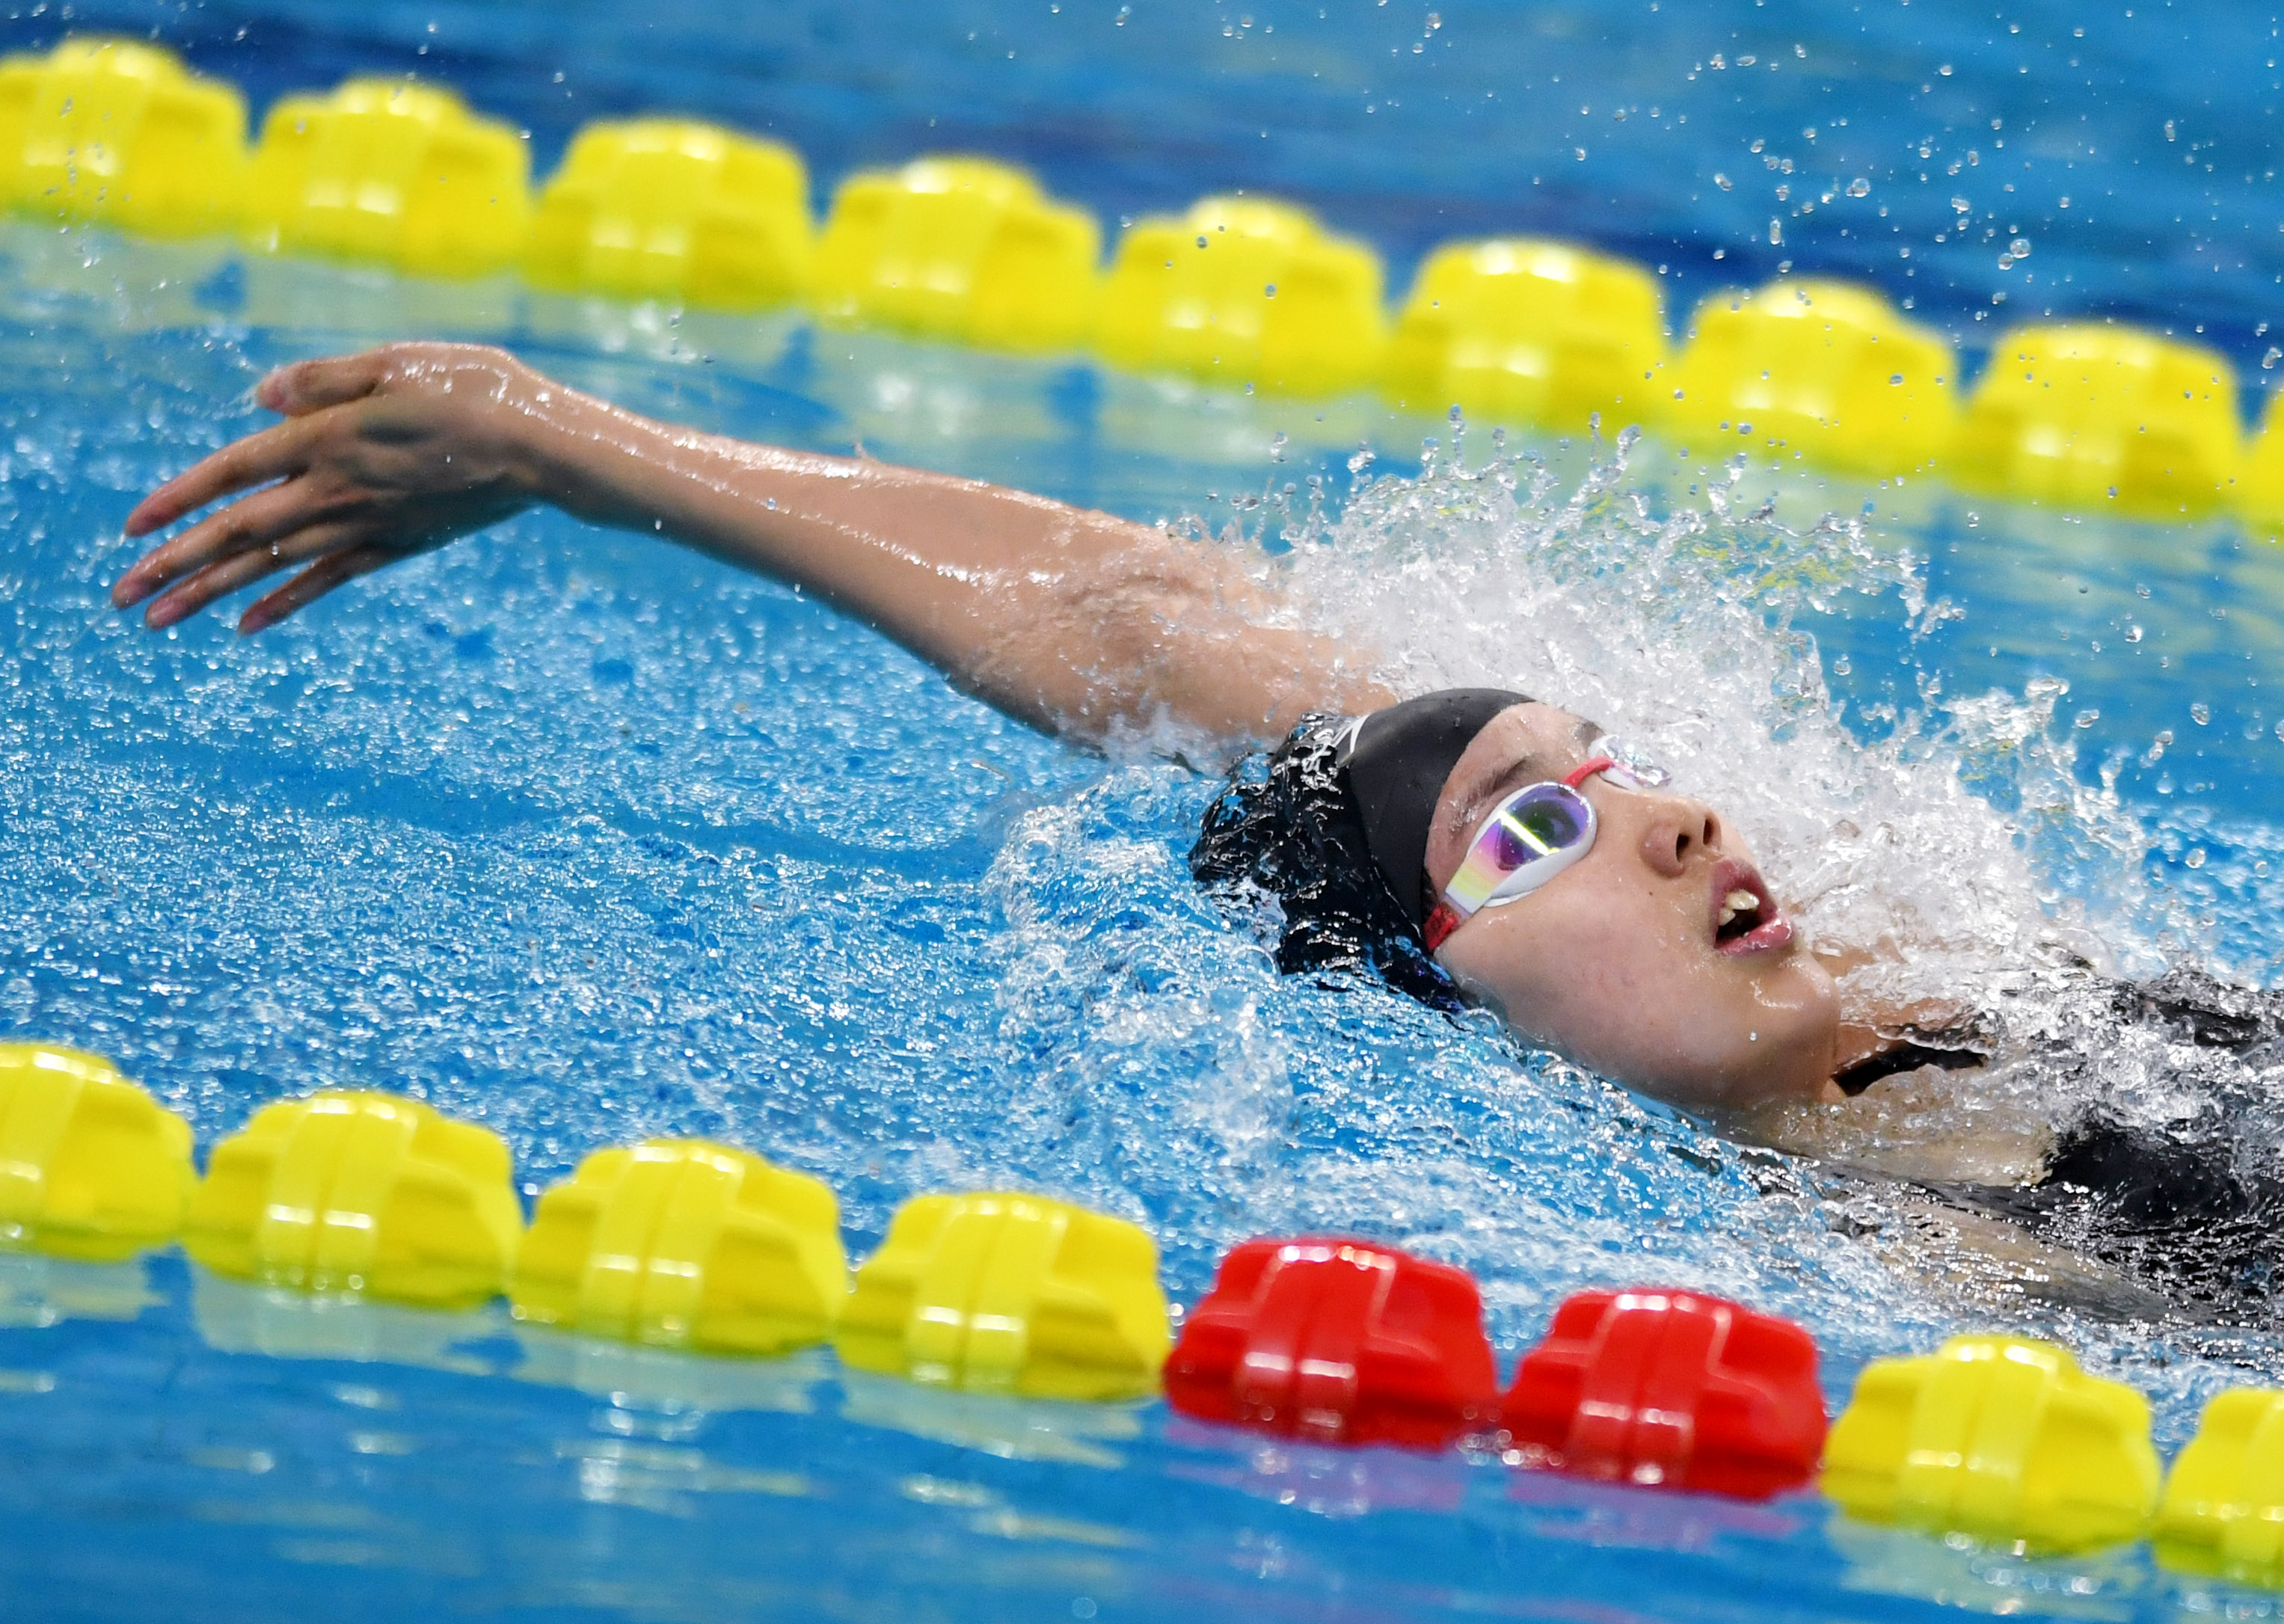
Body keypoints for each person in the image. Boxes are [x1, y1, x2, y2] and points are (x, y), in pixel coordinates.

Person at [109, 342, 2284, 1323]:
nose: (1678, 813)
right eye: (1540, 825)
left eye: (1611, 768)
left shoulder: (1928, 952)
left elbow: (1135, 619)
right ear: (1434, 1000)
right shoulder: (1887, 1263)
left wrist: (565, 440)